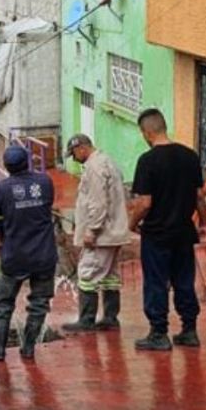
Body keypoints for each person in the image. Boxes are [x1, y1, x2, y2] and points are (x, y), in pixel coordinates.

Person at [129, 109, 206, 351]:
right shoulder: (190, 156)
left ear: (147, 132)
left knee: (156, 282)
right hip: (184, 232)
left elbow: (145, 203)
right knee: (184, 280)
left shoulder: (147, 161)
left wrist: (131, 223)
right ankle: (189, 330)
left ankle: (159, 332)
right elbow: (198, 196)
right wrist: (203, 222)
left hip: (156, 234)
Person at [0, 145, 58, 362]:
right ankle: (28, 347)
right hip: (44, 254)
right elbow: (46, 209)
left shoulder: (2, 189)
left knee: (3, 303)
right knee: (39, 302)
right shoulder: (45, 182)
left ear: (7, 167)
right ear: (28, 161)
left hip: (14, 255)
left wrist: (2, 240)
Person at [61, 134, 131, 333]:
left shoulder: (94, 168)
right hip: (114, 231)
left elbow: (98, 203)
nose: (74, 159)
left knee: (87, 273)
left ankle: (86, 320)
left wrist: (91, 230)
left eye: (73, 154)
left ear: (81, 148)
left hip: (102, 234)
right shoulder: (108, 161)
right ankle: (110, 317)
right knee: (109, 274)